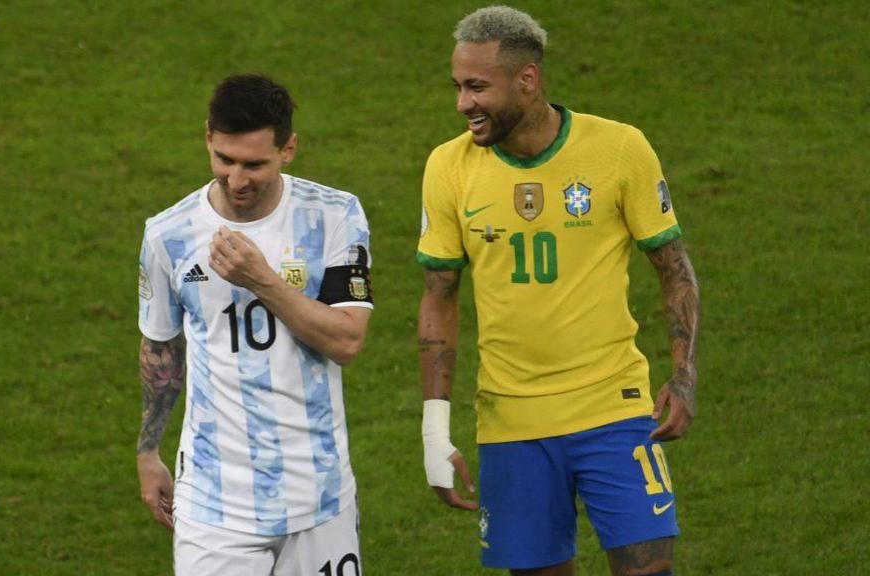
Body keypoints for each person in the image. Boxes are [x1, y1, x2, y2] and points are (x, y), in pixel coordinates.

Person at [417, 6, 700, 576]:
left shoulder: (619, 150)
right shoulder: (448, 167)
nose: (463, 104)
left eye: (477, 87)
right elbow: (438, 297)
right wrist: (432, 431)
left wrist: (684, 374)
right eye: (457, 86)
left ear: (528, 79)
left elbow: (674, 269)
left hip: (614, 406)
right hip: (511, 421)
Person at [136, 74, 373, 576]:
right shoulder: (169, 235)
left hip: (319, 494)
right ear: (207, 138)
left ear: (289, 149)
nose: (237, 180)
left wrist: (262, 280)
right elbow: (162, 350)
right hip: (214, 501)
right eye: (224, 160)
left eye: (254, 164)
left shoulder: (333, 216)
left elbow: (347, 340)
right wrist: (148, 449)